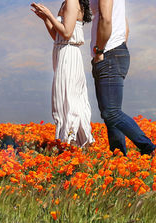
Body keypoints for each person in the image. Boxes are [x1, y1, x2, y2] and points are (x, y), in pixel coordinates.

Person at [90, 0, 156, 155]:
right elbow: (125, 26)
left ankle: (148, 148)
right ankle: (118, 156)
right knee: (109, 112)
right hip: (115, 51)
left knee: (111, 112)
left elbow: (105, 19)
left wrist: (100, 50)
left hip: (108, 53)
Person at [31, 1, 95, 148]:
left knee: (67, 98)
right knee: (66, 97)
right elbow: (57, 35)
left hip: (68, 54)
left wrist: (49, 15)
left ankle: (70, 139)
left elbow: (67, 33)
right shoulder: (67, 2)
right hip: (62, 51)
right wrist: (46, 19)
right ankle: (76, 140)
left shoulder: (72, 2)